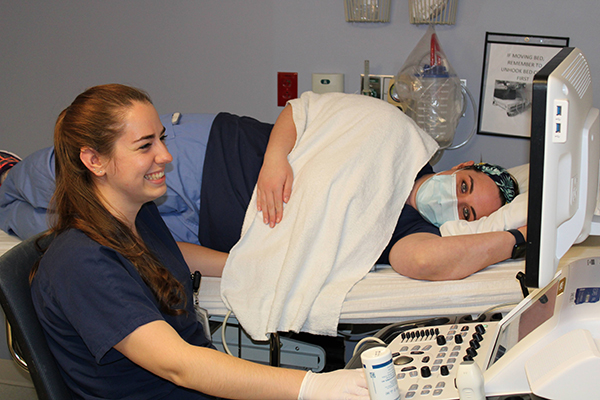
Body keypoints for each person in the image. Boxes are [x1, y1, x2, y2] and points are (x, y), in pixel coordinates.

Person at [29, 84, 368, 399]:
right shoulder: (81, 262)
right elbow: (179, 365)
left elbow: (168, 254)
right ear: (94, 161)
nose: (165, 156)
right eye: (145, 146)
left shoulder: (138, 215)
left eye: (161, 139)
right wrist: (311, 386)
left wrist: (250, 267)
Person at [1, 91, 522, 282]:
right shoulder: (395, 138)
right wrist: (276, 160)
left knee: (75, 222)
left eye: (466, 212)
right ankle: (6, 174)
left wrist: (520, 237)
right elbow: (306, 109)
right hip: (213, 155)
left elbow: (427, 263)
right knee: (65, 172)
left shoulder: (404, 229)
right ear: (462, 166)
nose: (452, 199)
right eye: (466, 185)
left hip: (207, 229)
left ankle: (3, 213)